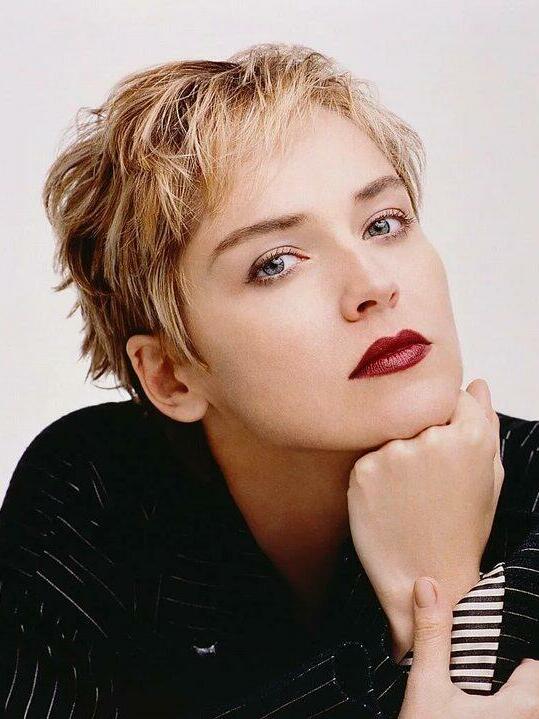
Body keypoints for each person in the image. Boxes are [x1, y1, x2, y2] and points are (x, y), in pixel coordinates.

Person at [1, 42, 538, 718]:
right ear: (170, 375)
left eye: (383, 223)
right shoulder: (97, 490)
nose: (373, 285)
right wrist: (434, 616)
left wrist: (435, 602)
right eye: (276, 263)